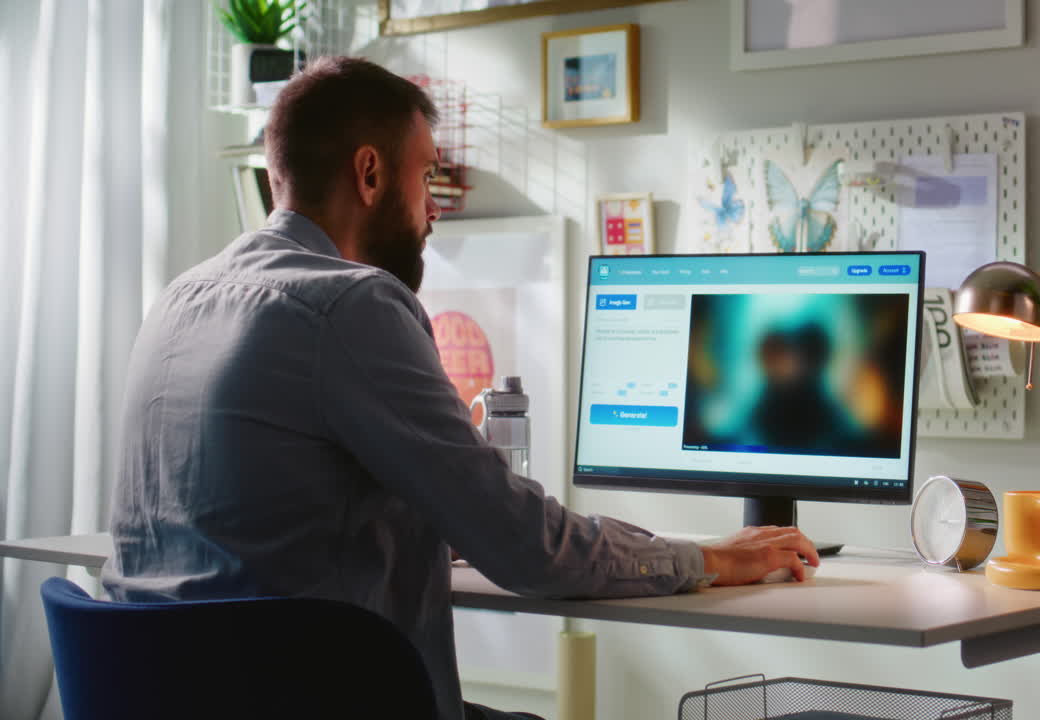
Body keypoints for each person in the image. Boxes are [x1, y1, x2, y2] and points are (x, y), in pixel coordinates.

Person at [101, 57, 818, 720]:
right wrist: (707, 559)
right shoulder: (351, 305)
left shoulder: (179, 299)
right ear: (371, 175)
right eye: (426, 179)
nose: (432, 210)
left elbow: (264, 524)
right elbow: (525, 549)